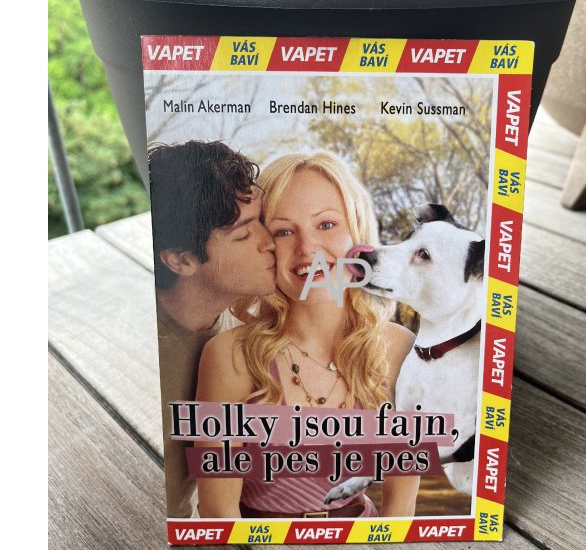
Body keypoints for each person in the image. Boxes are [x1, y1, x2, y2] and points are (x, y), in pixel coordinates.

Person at [195, 151, 419, 518]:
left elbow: (401, 506)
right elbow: (219, 514)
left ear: (357, 232)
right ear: (264, 246)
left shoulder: (400, 349)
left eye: (326, 224)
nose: (307, 248)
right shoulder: (232, 357)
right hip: (262, 546)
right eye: (283, 231)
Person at [149, 140, 277, 518]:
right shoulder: (145, 351)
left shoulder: (241, 339)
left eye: (263, 222)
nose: (270, 242)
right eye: (244, 234)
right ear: (182, 260)